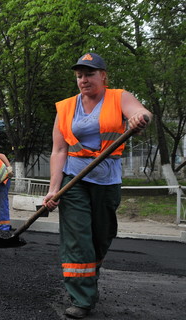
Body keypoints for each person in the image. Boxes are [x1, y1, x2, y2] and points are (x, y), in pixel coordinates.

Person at [42, 53, 151, 319]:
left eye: (89, 74)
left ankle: (89, 277)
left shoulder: (118, 97)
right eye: (79, 75)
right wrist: (53, 188)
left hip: (107, 180)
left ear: (103, 75)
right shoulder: (66, 108)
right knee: (78, 238)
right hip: (74, 180)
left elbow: (141, 111)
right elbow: (59, 150)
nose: (83, 80)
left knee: (101, 237)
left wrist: (138, 119)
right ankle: (82, 297)